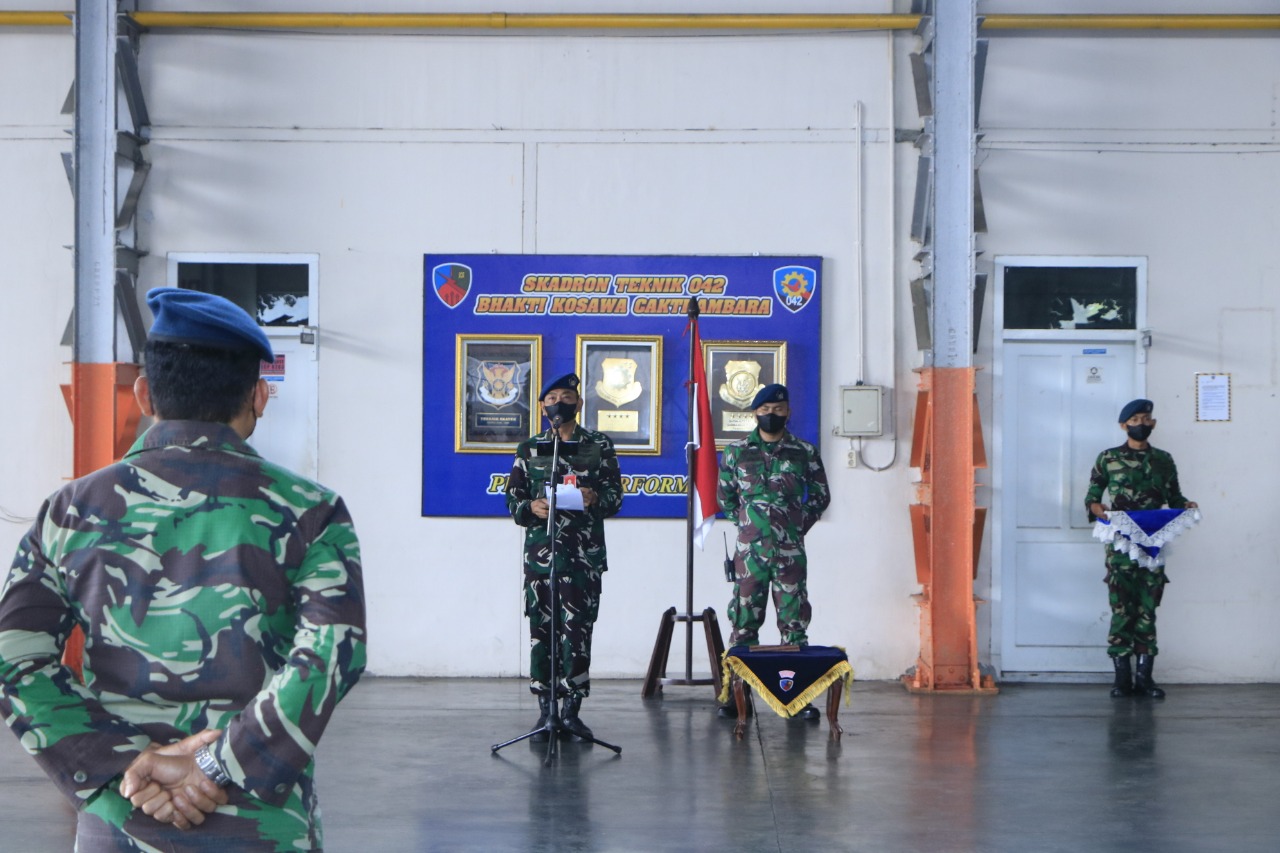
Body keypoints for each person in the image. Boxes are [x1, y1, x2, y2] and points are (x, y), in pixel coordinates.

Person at [0, 288, 367, 850]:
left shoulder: (71, 510)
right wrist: (218, 766)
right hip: (261, 822)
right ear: (259, 396)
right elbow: (332, 653)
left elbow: (14, 654)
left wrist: (119, 766)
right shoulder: (311, 512)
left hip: (122, 815)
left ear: (144, 393)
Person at [505, 373, 622, 741]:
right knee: (542, 633)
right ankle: (546, 711)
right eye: (552, 397)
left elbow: (616, 497)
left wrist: (595, 498)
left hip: (583, 558)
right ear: (542, 407)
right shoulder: (530, 448)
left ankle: (572, 711)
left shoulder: (599, 445)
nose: (559, 403)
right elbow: (513, 499)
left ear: (579, 403)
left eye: (567, 396)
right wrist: (531, 507)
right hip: (541, 558)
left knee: (578, 633)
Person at [717, 383, 830, 719]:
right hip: (749, 556)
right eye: (765, 410)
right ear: (755, 413)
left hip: (789, 554)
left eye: (778, 410)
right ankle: (736, 697)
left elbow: (820, 497)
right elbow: (726, 498)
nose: (771, 415)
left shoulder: (804, 451)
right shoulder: (736, 452)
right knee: (743, 624)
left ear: (788, 412)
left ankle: (796, 696)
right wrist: (749, 526)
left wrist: (795, 526)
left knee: (793, 625)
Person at [1085, 398, 1196, 700]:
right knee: (1122, 609)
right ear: (1124, 425)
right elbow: (1092, 496)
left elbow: (1174, 496)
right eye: (1135, 420)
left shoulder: (1163, 460)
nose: (1141, 424)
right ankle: (1122, 679)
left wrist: (1185, 505)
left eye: (1146, 419)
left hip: (1152, 545)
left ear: (1153, 423)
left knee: (1147, 608)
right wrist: (1096, 507)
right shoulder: (1108, 458)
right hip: (1121, 545)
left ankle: (1145, 679)